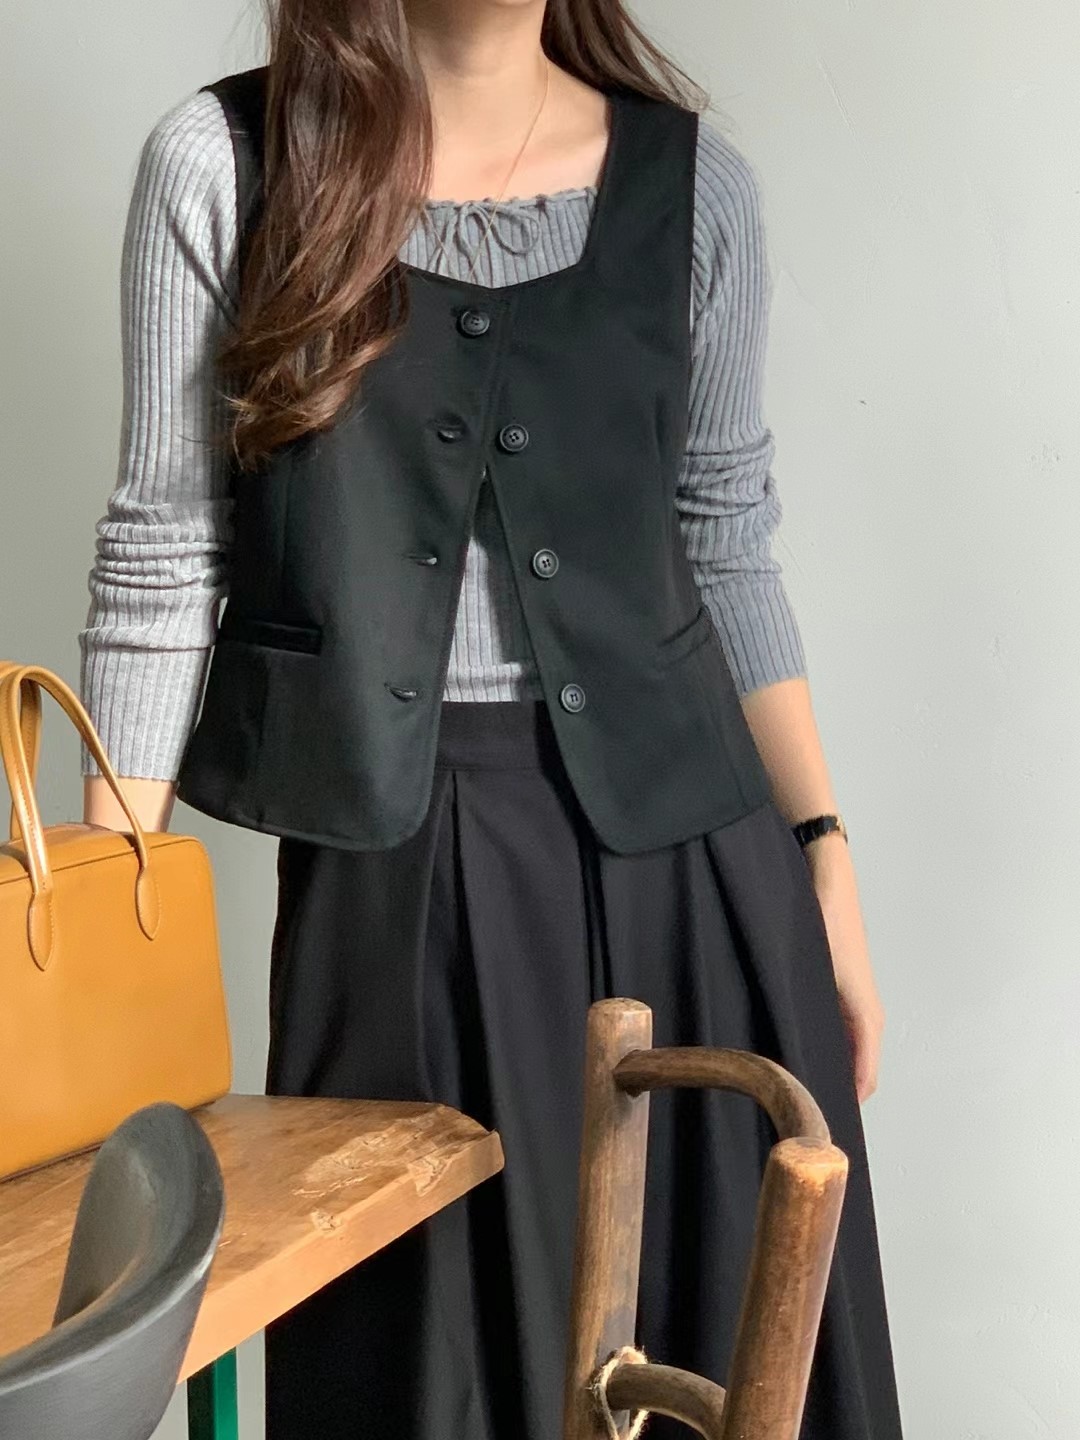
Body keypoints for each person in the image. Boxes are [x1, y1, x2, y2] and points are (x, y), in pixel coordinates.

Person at [79, 4, 904, 1438]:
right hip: (388, 883)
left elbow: (725, 532)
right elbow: (164, 554)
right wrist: (101, 942)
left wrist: (824, 852)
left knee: (725, 1352)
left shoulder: (698, 188)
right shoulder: (224, 165)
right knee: (422, 1372)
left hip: (695, 873)